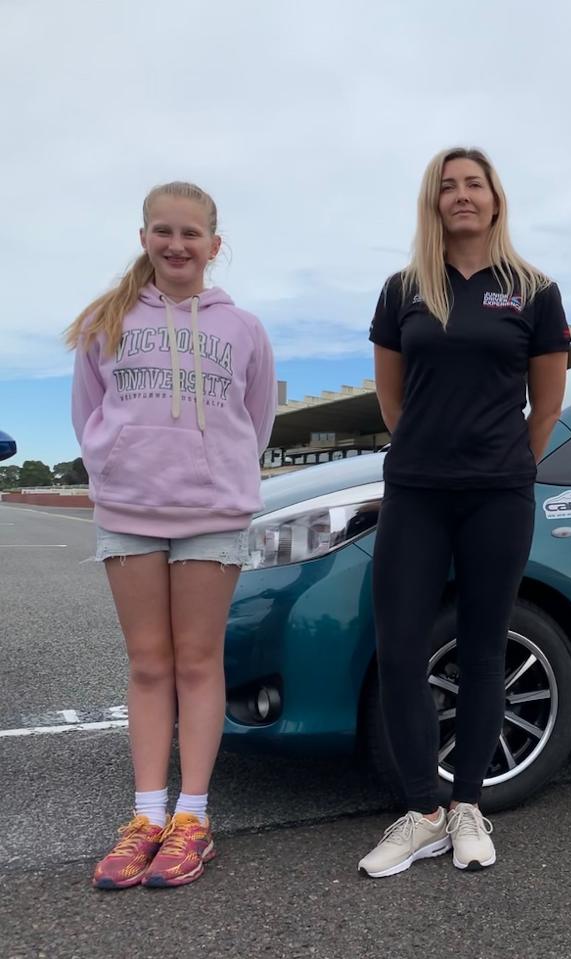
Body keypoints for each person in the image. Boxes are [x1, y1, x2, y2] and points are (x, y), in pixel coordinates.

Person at [359, 147, 570, 876]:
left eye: (472, 184)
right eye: (447, 187)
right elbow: (392, 398)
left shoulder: (534, 290)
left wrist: (504, 460)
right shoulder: (403, 289)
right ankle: (422, 813)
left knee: (484, 649)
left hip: (498, 493)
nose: (460, 196)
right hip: (416, 489)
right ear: (433, 203)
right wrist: (427, 447)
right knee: (402, 646)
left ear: (495, 198)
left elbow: (545, 406)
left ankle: (469, 807)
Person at [68, 181, 277, 888]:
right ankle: (145, 816)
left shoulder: (242, 327)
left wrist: (222, 476)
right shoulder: (108, 319)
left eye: (191, 234)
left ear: (214, 246)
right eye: (163, 230)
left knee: (197, 660)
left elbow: (256, 417)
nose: (176, 244)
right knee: (148, 662)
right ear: (144, 237)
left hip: (212, 514)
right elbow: (87, 412)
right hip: (129, 511)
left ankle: (192, 816)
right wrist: (117, 468)